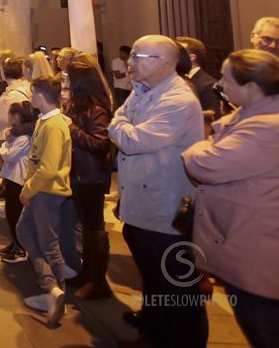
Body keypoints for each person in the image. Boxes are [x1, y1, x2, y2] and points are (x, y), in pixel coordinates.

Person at [107, 36, 206, 348]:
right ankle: (153, 328)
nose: (129, 62)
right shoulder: (142, 91)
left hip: (165, 208)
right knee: (151, 273)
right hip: (141, 201)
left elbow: (134, 141)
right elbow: (120, 121)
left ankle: (180, 340)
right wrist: (122, 125)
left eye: (137, 56)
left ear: (164, 62)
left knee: (176, 285)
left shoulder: (178, 99)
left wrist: (120, 126)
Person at [181, 49, 279, 348]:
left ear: (251, 88)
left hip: (258, 248)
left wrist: (197, 146)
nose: (219, 84)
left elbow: (206, 164)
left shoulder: (267, 127)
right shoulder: (252, 116)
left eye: (226, 78)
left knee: (263, 328)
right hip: (247, 239)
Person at [15, 75, 72, 325]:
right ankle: (51, 289)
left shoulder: (54, 125)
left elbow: (47, 168)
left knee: (48, 243)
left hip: (47, 192)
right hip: (40, 190)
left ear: (39, 95)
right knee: (25, 231)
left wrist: (27, 190)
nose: (30, 98)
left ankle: (56, 293)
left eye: (32, 93)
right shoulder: (45, 121)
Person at [62, 60, 114, 299]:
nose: (66, 83)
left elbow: (100, 143)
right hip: (78, 173)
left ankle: (98, 281)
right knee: (85, 226)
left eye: (69, 79)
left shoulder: (97, 110)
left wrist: (70, 127)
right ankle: (86, 272)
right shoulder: (81, 106)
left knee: (95, 228)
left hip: (90, 175)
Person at [0, 101, 36, 264]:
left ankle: (20, 247)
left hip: (18, 180)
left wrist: (4, 145)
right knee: (10, 212)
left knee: (15, 214)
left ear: (17, 117)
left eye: (9, 114)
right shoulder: (17, 135)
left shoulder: (23, 138)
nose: (7, 117)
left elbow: (7, 155)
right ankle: (14, 243)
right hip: (12, 178)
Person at [175, 37, 224, 121]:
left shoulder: (209, 85)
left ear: (191, 57)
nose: (171, 56)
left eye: (177, 53)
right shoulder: (174, 81)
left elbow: (212, 120)